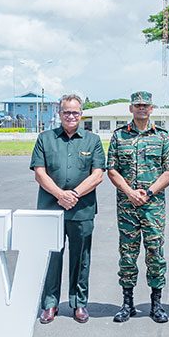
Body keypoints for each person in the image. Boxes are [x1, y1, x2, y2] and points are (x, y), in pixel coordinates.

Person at [31, 94, 105, 324]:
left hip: (81, 209)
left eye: (75, 112)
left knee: (80, 257)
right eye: (66, 112)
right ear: (59, 114)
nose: (71, 116)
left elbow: (98, 174)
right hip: (51, 208)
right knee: (52, 257)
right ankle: (50, 304)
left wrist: (73, 194)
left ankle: (79, 303)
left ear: (81, 114)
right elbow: (39, 172)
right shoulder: (45, 138)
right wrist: (60, 195)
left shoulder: (92, 141)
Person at [106, 91, 169, 323]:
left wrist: (148, 193)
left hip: (153, 207)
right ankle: (127, 304)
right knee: (127, 254)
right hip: (127, 206)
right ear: (130, 109)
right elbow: (112, 169)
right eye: (137, 105)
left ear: (151, 109)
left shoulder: (162, 137)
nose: (141, 109)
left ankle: (156, 304)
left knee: (155, 253)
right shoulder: (119, 136)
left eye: (145, 106)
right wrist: (129, 192)